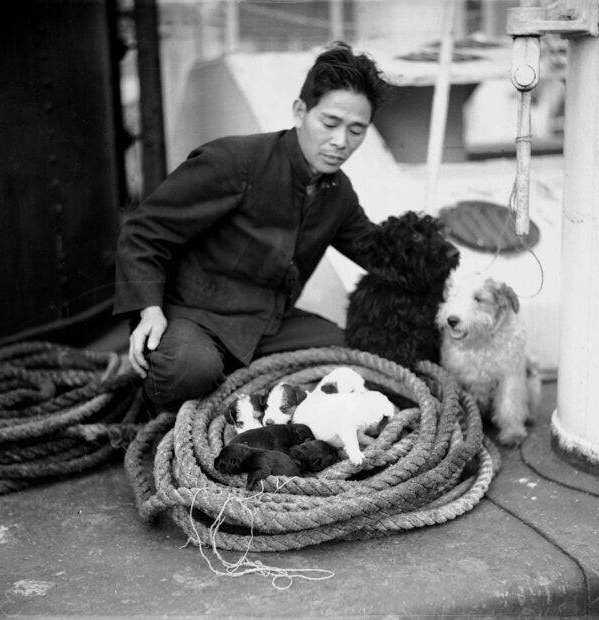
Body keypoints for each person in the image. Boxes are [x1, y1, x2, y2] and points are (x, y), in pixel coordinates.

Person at [113, 41, 394, 413]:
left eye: (357, 130)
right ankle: (154, 398)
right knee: (190, 369)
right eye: (330, 123)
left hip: (269, 327)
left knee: (356, 359)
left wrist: (445, 273)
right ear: (300, 112)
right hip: (195, 316)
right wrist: (149, 310)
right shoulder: (234, 160)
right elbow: (144, 232)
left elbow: (379, 252)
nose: (341, 142)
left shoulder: (338, 193)